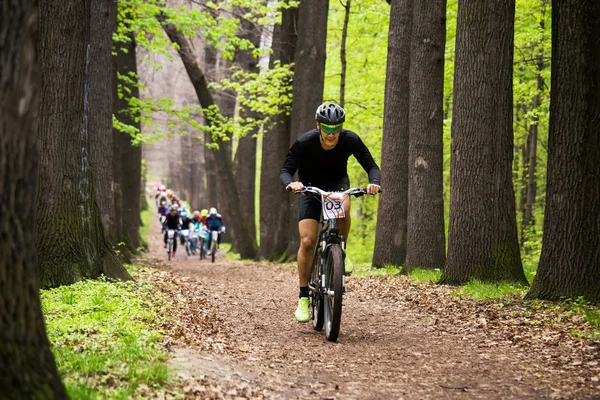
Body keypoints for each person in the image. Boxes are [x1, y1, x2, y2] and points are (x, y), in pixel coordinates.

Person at [280, 102, 381, 322]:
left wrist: (374, 182)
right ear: (318, 126)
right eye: (327, 129)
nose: (332, 134)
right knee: (307, 241)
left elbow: (371, 166)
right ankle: (304, 296)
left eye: (336, 129)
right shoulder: (305, 142)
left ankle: (340, 250)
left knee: (344, 208)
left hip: (337, 184)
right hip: (310, 188)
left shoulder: (350, 140)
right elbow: (286, 171)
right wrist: (292, 184)